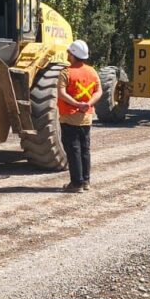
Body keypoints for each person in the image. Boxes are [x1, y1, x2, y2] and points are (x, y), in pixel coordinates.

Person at [57, 39, 100, 192]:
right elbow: (98, 91)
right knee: (84, 149)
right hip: (86, 117)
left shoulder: (66, 72)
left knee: (73, 149)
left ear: (73, 55)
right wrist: (88, 104)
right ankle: (86, 182)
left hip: (69, 116)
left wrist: (76, 104)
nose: (68, 54)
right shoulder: (92, 71)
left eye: (69, 52)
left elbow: (61, 94)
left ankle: (76, 184)